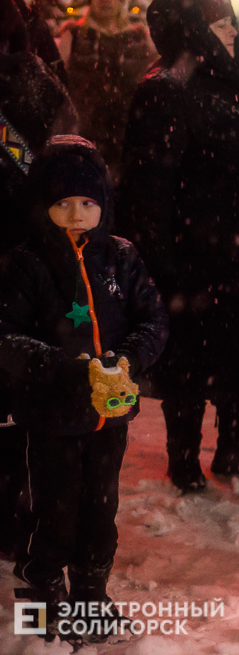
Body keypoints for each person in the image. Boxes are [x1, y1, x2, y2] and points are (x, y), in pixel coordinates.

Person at [118, 0, 239, 492]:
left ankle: (236, 447)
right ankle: (183, 459)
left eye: (228, 22)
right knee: (191, 362)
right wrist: (160, 257)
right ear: (191, 30)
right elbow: (150, 184)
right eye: (217, 23)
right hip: (196, 253)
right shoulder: (166, 89)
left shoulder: (238, 79)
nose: (230, 31)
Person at [0, 136, 167, 640]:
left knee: (101, 510)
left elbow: (153, 320)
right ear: (43, 206)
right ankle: (43, 597)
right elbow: (6, 336)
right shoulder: (27, 263)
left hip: (109, 417)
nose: (77, 213)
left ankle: (91, 595)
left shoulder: (121, 257)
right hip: (51, 416)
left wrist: (128, 359)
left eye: (88, 203)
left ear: (104, 204)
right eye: (63, 203)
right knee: (55, 510)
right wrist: (62, 366)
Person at [0, 0, 78, 561]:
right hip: (23, 257)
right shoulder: (31, 77)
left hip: (20, 260)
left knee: (15, 398)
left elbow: (55, 165)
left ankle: (13, 512)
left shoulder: (28, 82)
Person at [58, 0, 156, 182]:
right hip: (84, 139)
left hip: (129, 138)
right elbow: (56, 86)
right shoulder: (73, 35)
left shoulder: (141, 38)